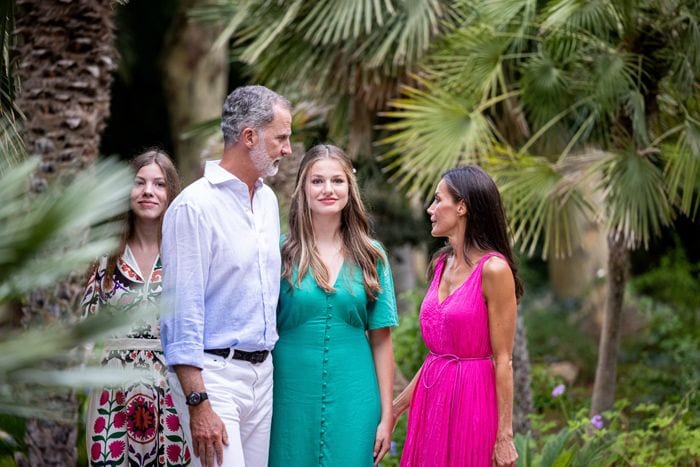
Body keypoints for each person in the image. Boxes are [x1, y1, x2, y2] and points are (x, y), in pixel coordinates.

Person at [160, 85, 292, 467]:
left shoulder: (267, 201)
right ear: (249, 136)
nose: (287, 149)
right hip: (213, 376)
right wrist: (199, 403)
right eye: (281, 138)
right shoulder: (193, 207)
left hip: (262, 375)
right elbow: (180, 313)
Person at [268, 144, 398, 467]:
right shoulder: (279, 252)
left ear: (349, 188)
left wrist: (387, 415)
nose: (328, 189)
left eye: (337, 181)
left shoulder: (372, 255)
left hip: (355, 396)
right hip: (287, 394)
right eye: (317, 181)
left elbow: (382, 340)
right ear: (303, 189)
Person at [392, 166, 522, 467]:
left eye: (438, 200)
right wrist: (397, 408)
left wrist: (505, 436)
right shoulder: (441, 263)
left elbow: (504, 360)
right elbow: (435, 356)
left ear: (461, 207)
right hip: (431, 401)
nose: (430, 209)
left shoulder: (494, 270)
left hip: (472, 400)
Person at [81, 150, 189, 466]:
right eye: (139, 183)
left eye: (158, 184)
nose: (148, 192)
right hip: (112, 395)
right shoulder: (105, 257)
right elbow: (84, 331)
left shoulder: (184, 258)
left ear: (171, 193)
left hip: (172, 388)